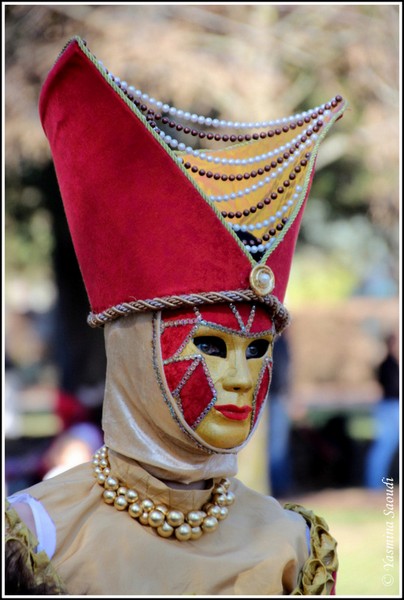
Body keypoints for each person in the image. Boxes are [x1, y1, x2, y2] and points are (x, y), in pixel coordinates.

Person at [5, 35, 347, 595]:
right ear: (137, 347)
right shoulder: (40, 536)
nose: (242, 379)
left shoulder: (291, 544)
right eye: (212, 345)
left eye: (258, 349)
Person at [365, 331, 400, 489]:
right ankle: (374, 482)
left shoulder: (390, 363)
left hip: (390, 406)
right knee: (384, 445)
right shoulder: (388, 364)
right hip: (390, 407)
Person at [267, 330, 294, 497]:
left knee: (277, 444)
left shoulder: (278, 342)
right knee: (276, 445)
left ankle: (279, 485)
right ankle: (279, 486)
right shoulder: (277, 343)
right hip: (274, 397)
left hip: (276, 396)